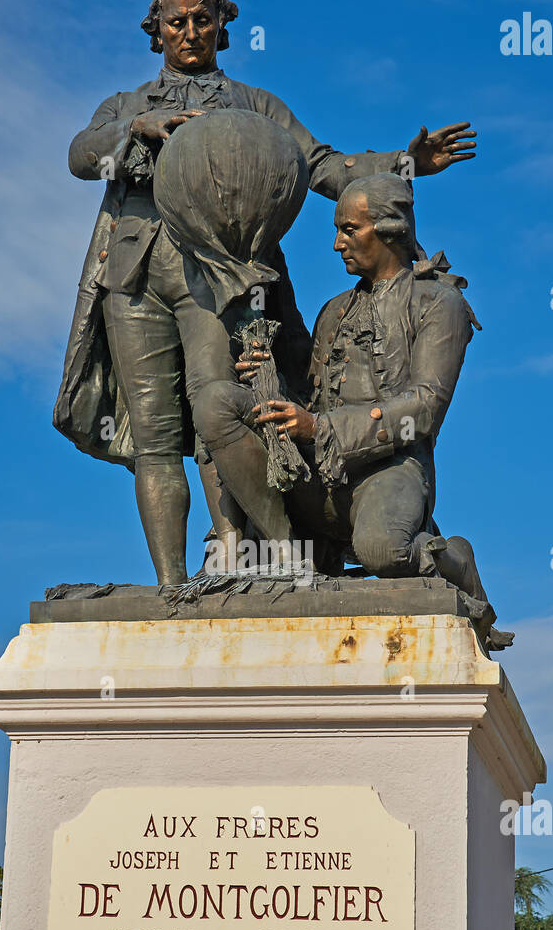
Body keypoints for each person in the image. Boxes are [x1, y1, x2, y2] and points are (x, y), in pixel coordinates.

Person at [54, 0, 478, 585]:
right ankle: (172, 588)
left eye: (204, 19)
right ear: (157, 32)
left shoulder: (256, 106)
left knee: (214, 414)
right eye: (178, 22)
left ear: (223, 25)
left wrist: (406, 163)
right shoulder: (127, 105)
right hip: (137, 273)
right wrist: (133, 135)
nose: (192, 33)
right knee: (153, 435)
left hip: (219, 277)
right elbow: (79, 156)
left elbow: (323, 165)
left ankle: (231, 555)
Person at [196, 172, 510, 648]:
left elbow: (424, 407)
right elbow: (310, 396)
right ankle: (288, 554)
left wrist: (319, 426)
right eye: (338, 229)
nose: (337, 243)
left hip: (389, 469)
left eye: (349, 229)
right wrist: (268, 382)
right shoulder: (333, 311)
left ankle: (454, 559)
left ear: (389, 230)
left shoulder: (439, 304)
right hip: (315, 471)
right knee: (216, 400)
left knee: (383, 553)